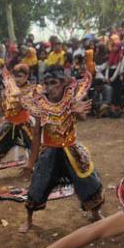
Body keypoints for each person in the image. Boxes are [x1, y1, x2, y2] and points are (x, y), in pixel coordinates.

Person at [19, 66, 104, 233]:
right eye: (47, 83)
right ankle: (28, 219)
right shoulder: (40, 105)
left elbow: (83, 118)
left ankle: (95, 214)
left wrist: (76, 109)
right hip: (50, 152)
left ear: (63, 83)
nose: (50, 87)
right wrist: (30, 163)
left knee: (89, 182)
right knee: (38, 185)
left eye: (54, 82)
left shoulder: (70, 100)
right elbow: (36, 135)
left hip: (72, 151)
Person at [0, 65, 35, 182]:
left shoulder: (32, 89)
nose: (17, 79)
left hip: (24, 123)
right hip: (9, 123)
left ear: (26, 76)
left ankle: (31, 172)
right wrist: (1, 101)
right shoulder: (9, 87)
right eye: (15, 76)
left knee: (36, 148)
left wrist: (20, 98)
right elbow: (3, 103)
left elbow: (30, 105)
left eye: (20, 76)